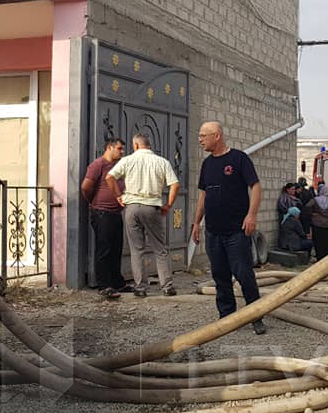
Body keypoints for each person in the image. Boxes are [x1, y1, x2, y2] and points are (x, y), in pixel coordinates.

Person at [191, 121, 267, 335]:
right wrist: (197, 223)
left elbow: (256, 186)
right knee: (220, 275)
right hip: (213, 231)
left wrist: (251, 215)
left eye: (203, 135)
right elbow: (203, 195)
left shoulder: (239, 159)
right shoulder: (207, 165)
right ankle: (227, 318)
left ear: (217, 135)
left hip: (236, 231)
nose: (200, 139)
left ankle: (255, 316)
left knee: (244, 274)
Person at [106, 133, 180, 297]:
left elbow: (109, 177)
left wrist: (118, 195)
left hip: (131, 207)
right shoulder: (162, 162)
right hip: (152, 207)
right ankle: (166, 286)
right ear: (148, 145)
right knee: (160, 248)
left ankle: (140, 287)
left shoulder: (127, 161)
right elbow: (175, 184)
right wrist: (168, 205)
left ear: (136, 145)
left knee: (136, 249)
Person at [82, 138, 130, 299]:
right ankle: (104, 285)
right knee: (104, 250)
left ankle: (117, 282)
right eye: (119, 148)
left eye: (123, 149)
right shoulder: (98, 165)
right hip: (102, 213)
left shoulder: (119, 166)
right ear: (109, 147)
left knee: (116, 249)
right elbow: (86, 187)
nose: (122, 152)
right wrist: (93, 202)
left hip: (116, 213)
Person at [309, 184, 328, 260]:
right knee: (326, 243)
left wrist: (313, 214)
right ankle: (325, 258)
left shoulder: (315, 200)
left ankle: (319, 257)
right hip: (327, 224)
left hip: (317, 224)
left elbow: (307, 207)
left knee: (318, 242)